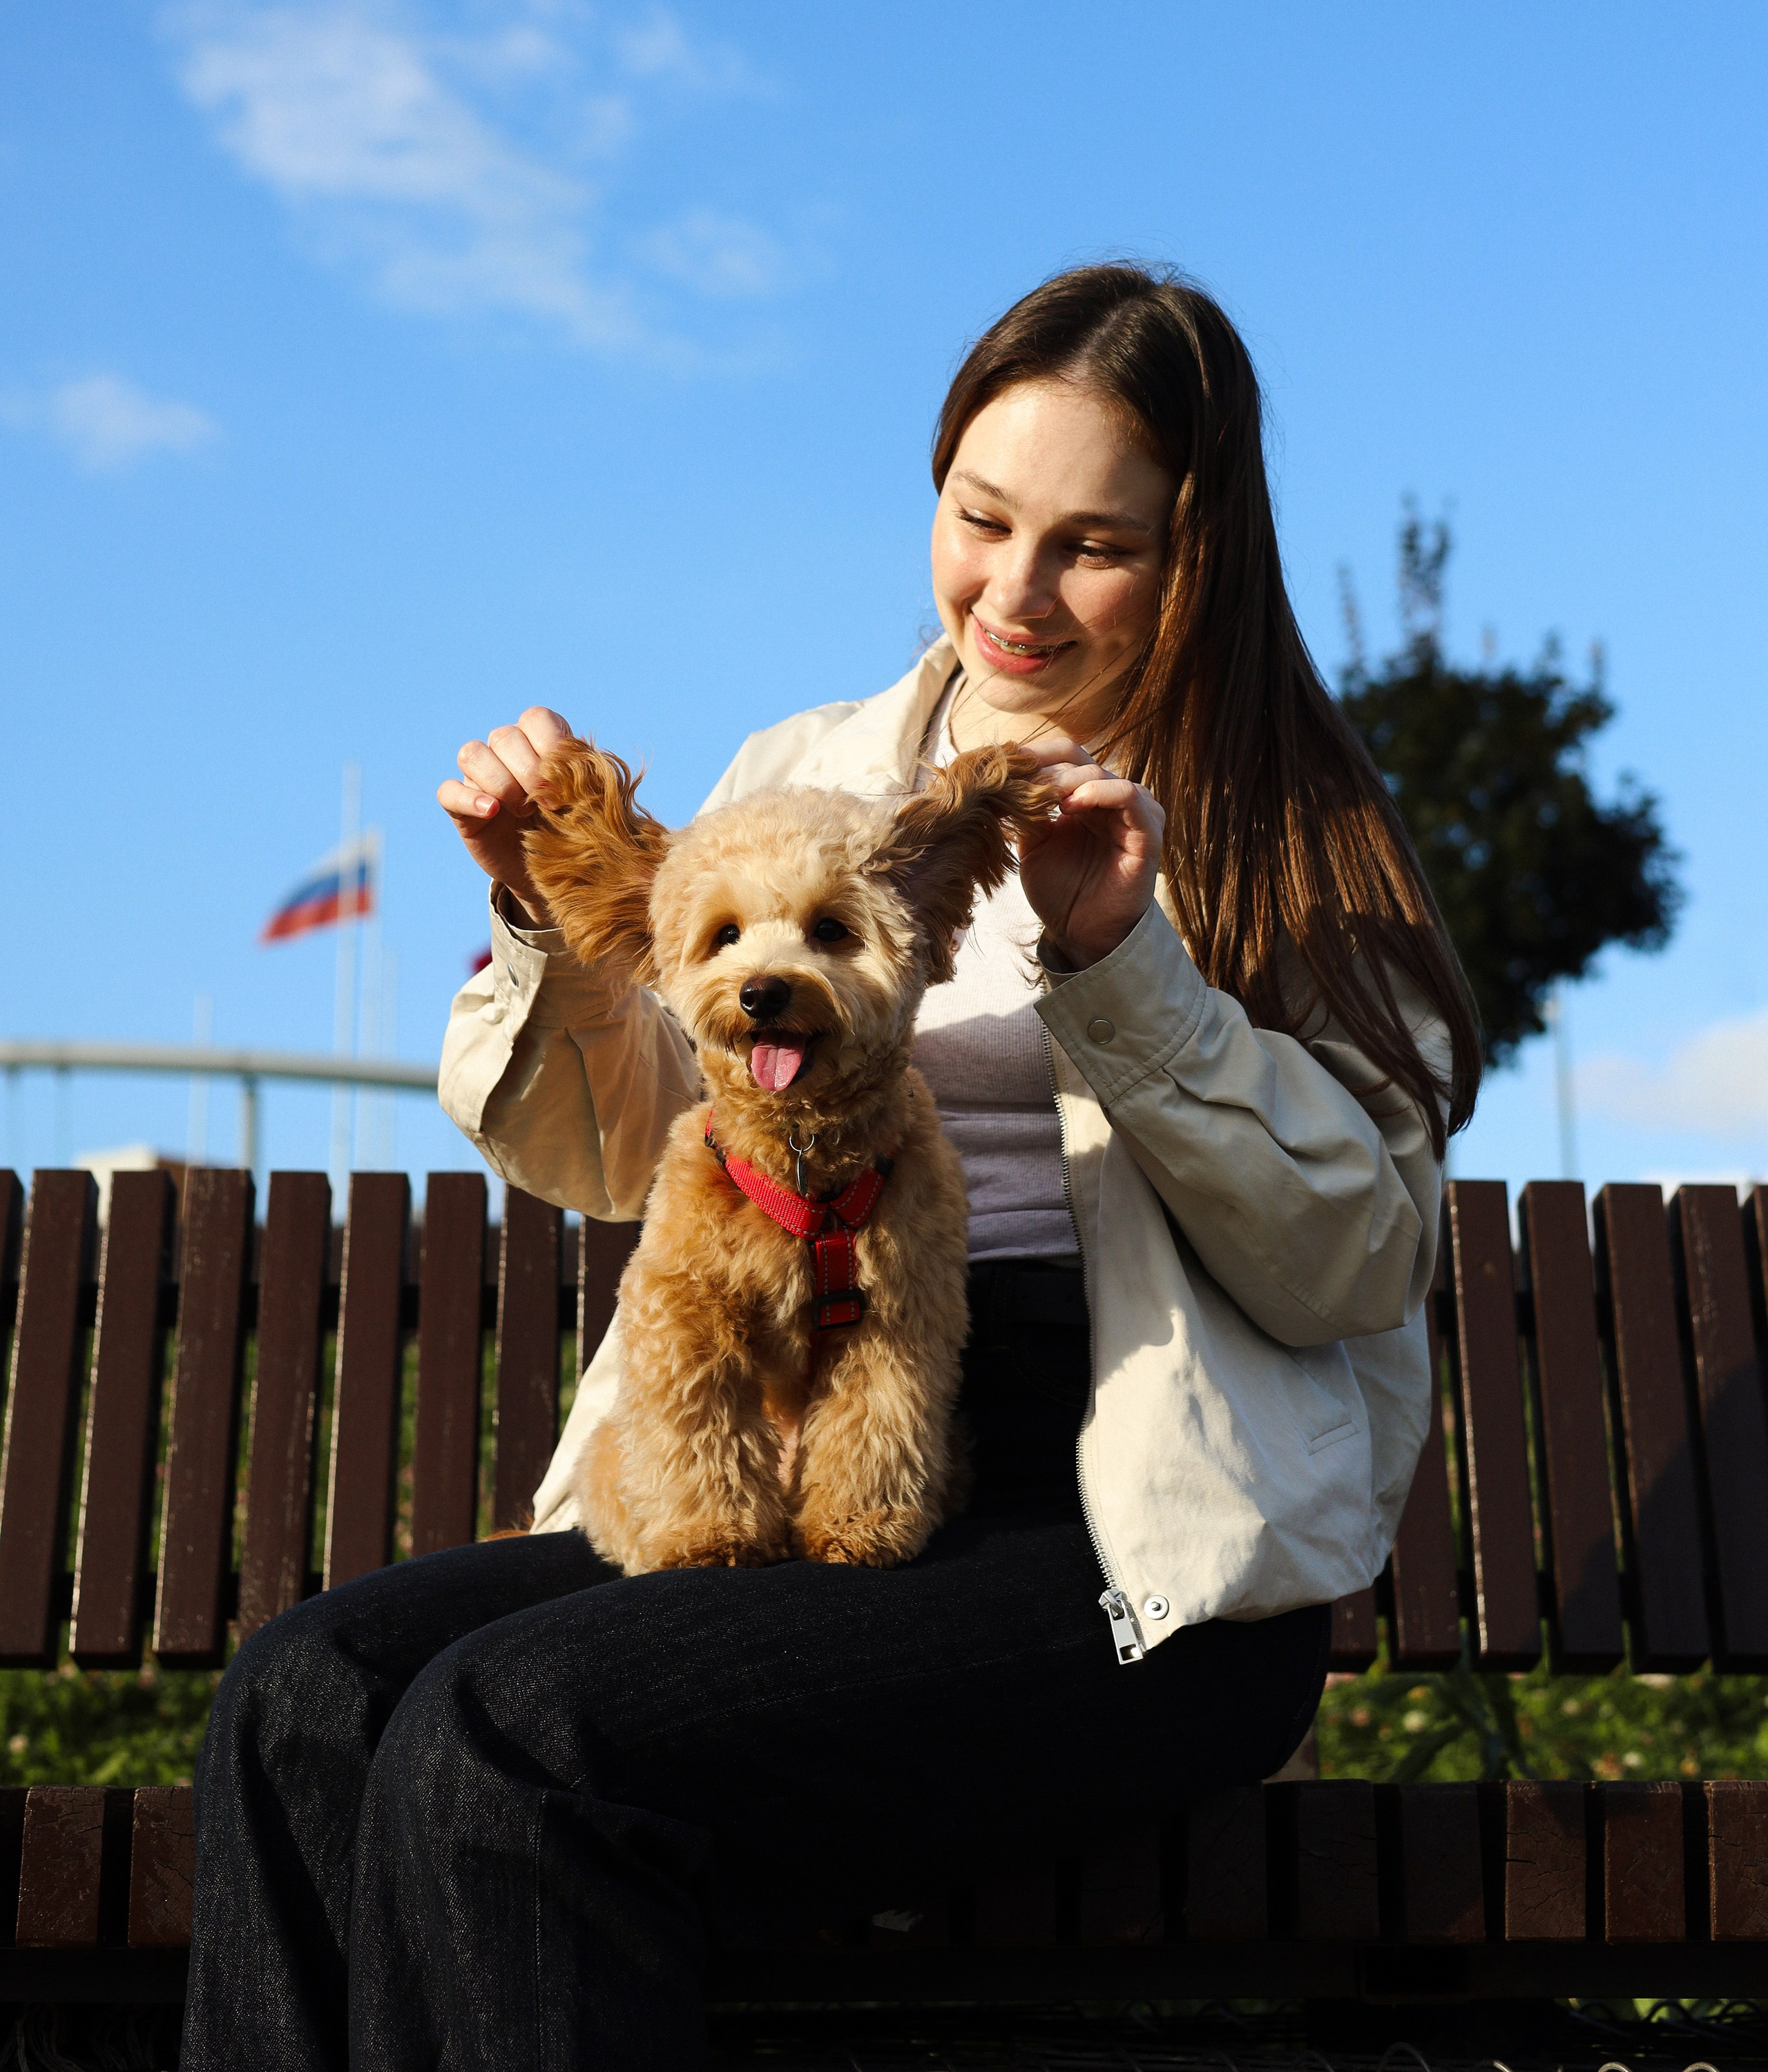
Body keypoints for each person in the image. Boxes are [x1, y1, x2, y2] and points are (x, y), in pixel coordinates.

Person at [182, 263, 1479, 2072]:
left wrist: (1128, 972)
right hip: (782, 1456)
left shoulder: (1284, 829)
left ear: (1200, 555)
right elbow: (621, 1150)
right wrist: (547, 913)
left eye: (1095, 548)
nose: (1015, 595)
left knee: (513, 1739)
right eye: (982, 519)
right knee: (304, 1699)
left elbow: (1353, 1265)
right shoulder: (804, 772)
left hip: (1125, 1533)